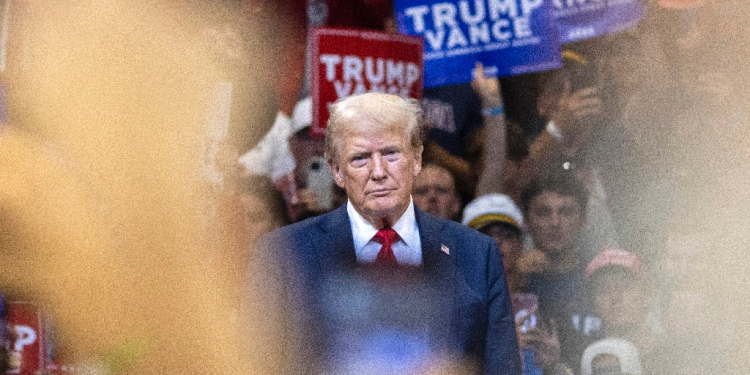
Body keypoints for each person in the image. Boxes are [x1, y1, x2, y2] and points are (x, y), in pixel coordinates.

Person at [243, 92, 521, 374]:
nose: (378, 172)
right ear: (337, 171)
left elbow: (502, 367)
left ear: (416, 160)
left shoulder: (477, 253)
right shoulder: (282, 253)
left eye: (391, 153)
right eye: (360, 158)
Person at [520, 172, 599, 369]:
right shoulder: (510, 281)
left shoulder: (600, 278)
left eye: (566, 212)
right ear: (526, 222)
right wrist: (514, 279)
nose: (555, 223)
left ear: (583, 221)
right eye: (544, 213)